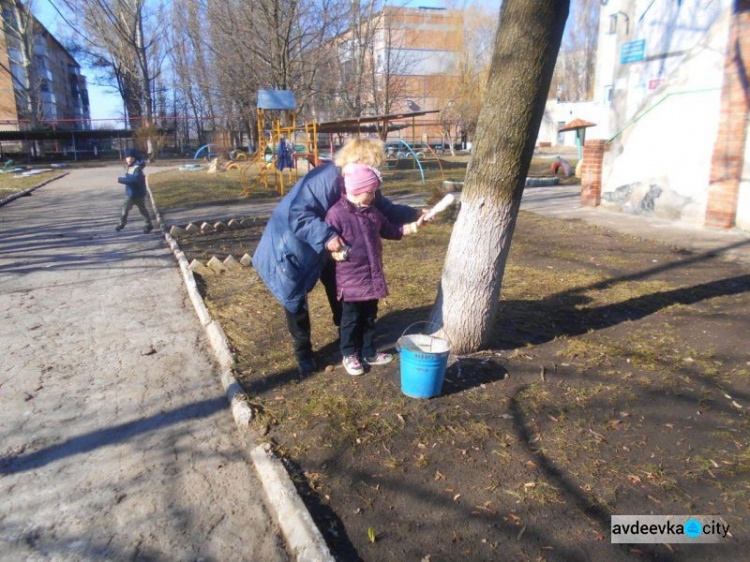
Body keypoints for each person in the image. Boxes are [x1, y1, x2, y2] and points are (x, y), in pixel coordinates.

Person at [252, 138, 425, 375]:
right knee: (295, 298)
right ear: (358, 163)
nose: (376, 172)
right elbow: (299, 214)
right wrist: (326, 236)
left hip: (326, 245)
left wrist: (415, 214)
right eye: (373, 166)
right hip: (290, 245)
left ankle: (348, 341)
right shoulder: (324, 181)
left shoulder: (363, 180)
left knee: (338, 284)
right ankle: (303, 354)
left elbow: (383, 208)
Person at [325, 163, 423, 376]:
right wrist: (335, 251)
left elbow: (390, 229)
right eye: (370, 192)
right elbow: (327, 241)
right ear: (356, 190)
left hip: (372, 276)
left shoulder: (372, 212)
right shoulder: (336, 214)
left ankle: (369, 351)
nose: (374, 195)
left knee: (370, 317)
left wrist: (413, 226)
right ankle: (349, 354)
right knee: (350, 320)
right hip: (351, 280)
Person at [116, 148, 153, 234]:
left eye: (129, 157)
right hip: (130, 194)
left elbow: (135, 180)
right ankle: (122, 224)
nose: (127, 159)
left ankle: (148, 225)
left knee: (143, 210)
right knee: (125, 209)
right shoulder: (130, 167)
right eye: (126, 157)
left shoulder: (137, 169)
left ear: (134, 158)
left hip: (138, 194)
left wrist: (121, 180)